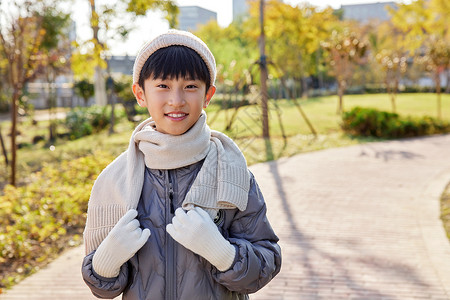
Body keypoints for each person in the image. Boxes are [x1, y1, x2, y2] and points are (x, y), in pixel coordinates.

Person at [81, 29, 282, 300]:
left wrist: (224, 255)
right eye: (162, 86)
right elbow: (104, 288)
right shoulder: (117, 180)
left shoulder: (232, 172)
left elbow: (267, 259)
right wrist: (105, 263)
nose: (176, 100)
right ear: (140, 94)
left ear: (208, 94)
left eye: (190, 86)